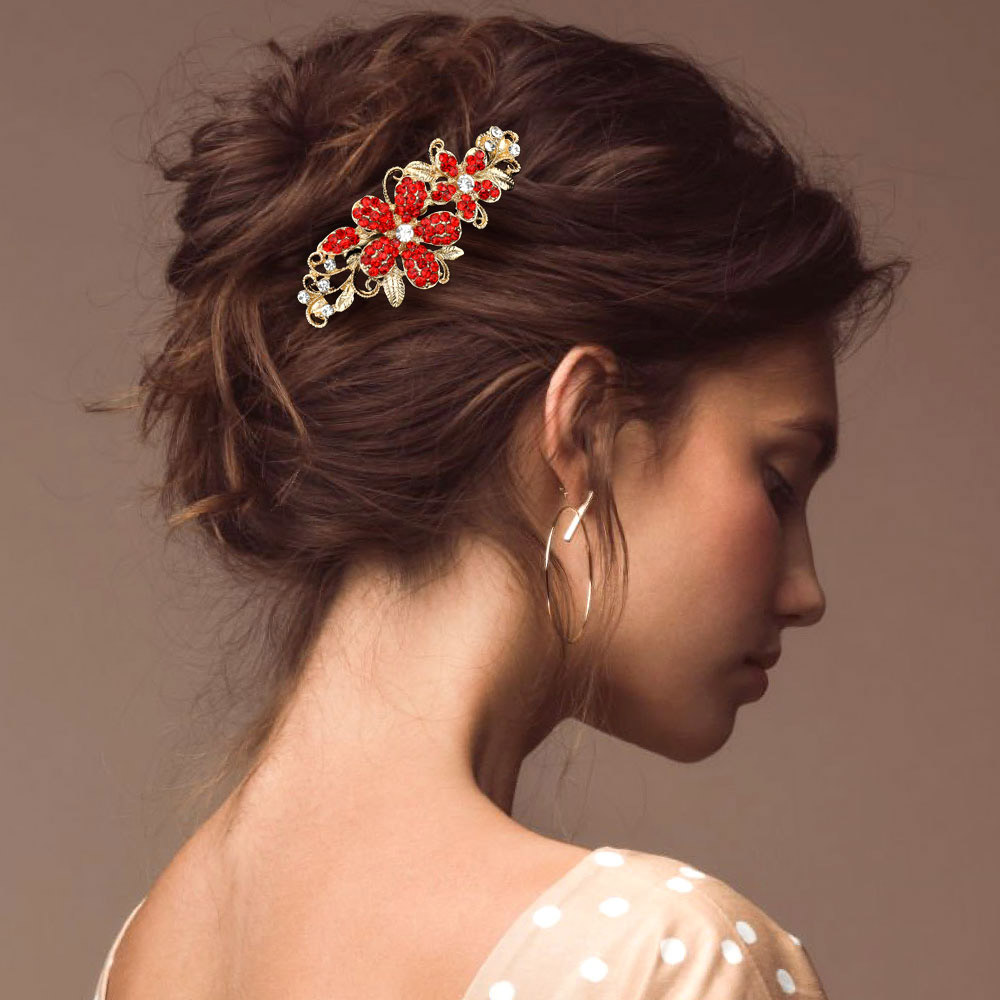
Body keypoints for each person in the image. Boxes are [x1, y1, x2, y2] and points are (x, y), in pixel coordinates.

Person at [87, 11, 909, 1000]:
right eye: (776, 481)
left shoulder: (151, 947)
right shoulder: (663, 953)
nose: (805, 591)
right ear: (585, 428)